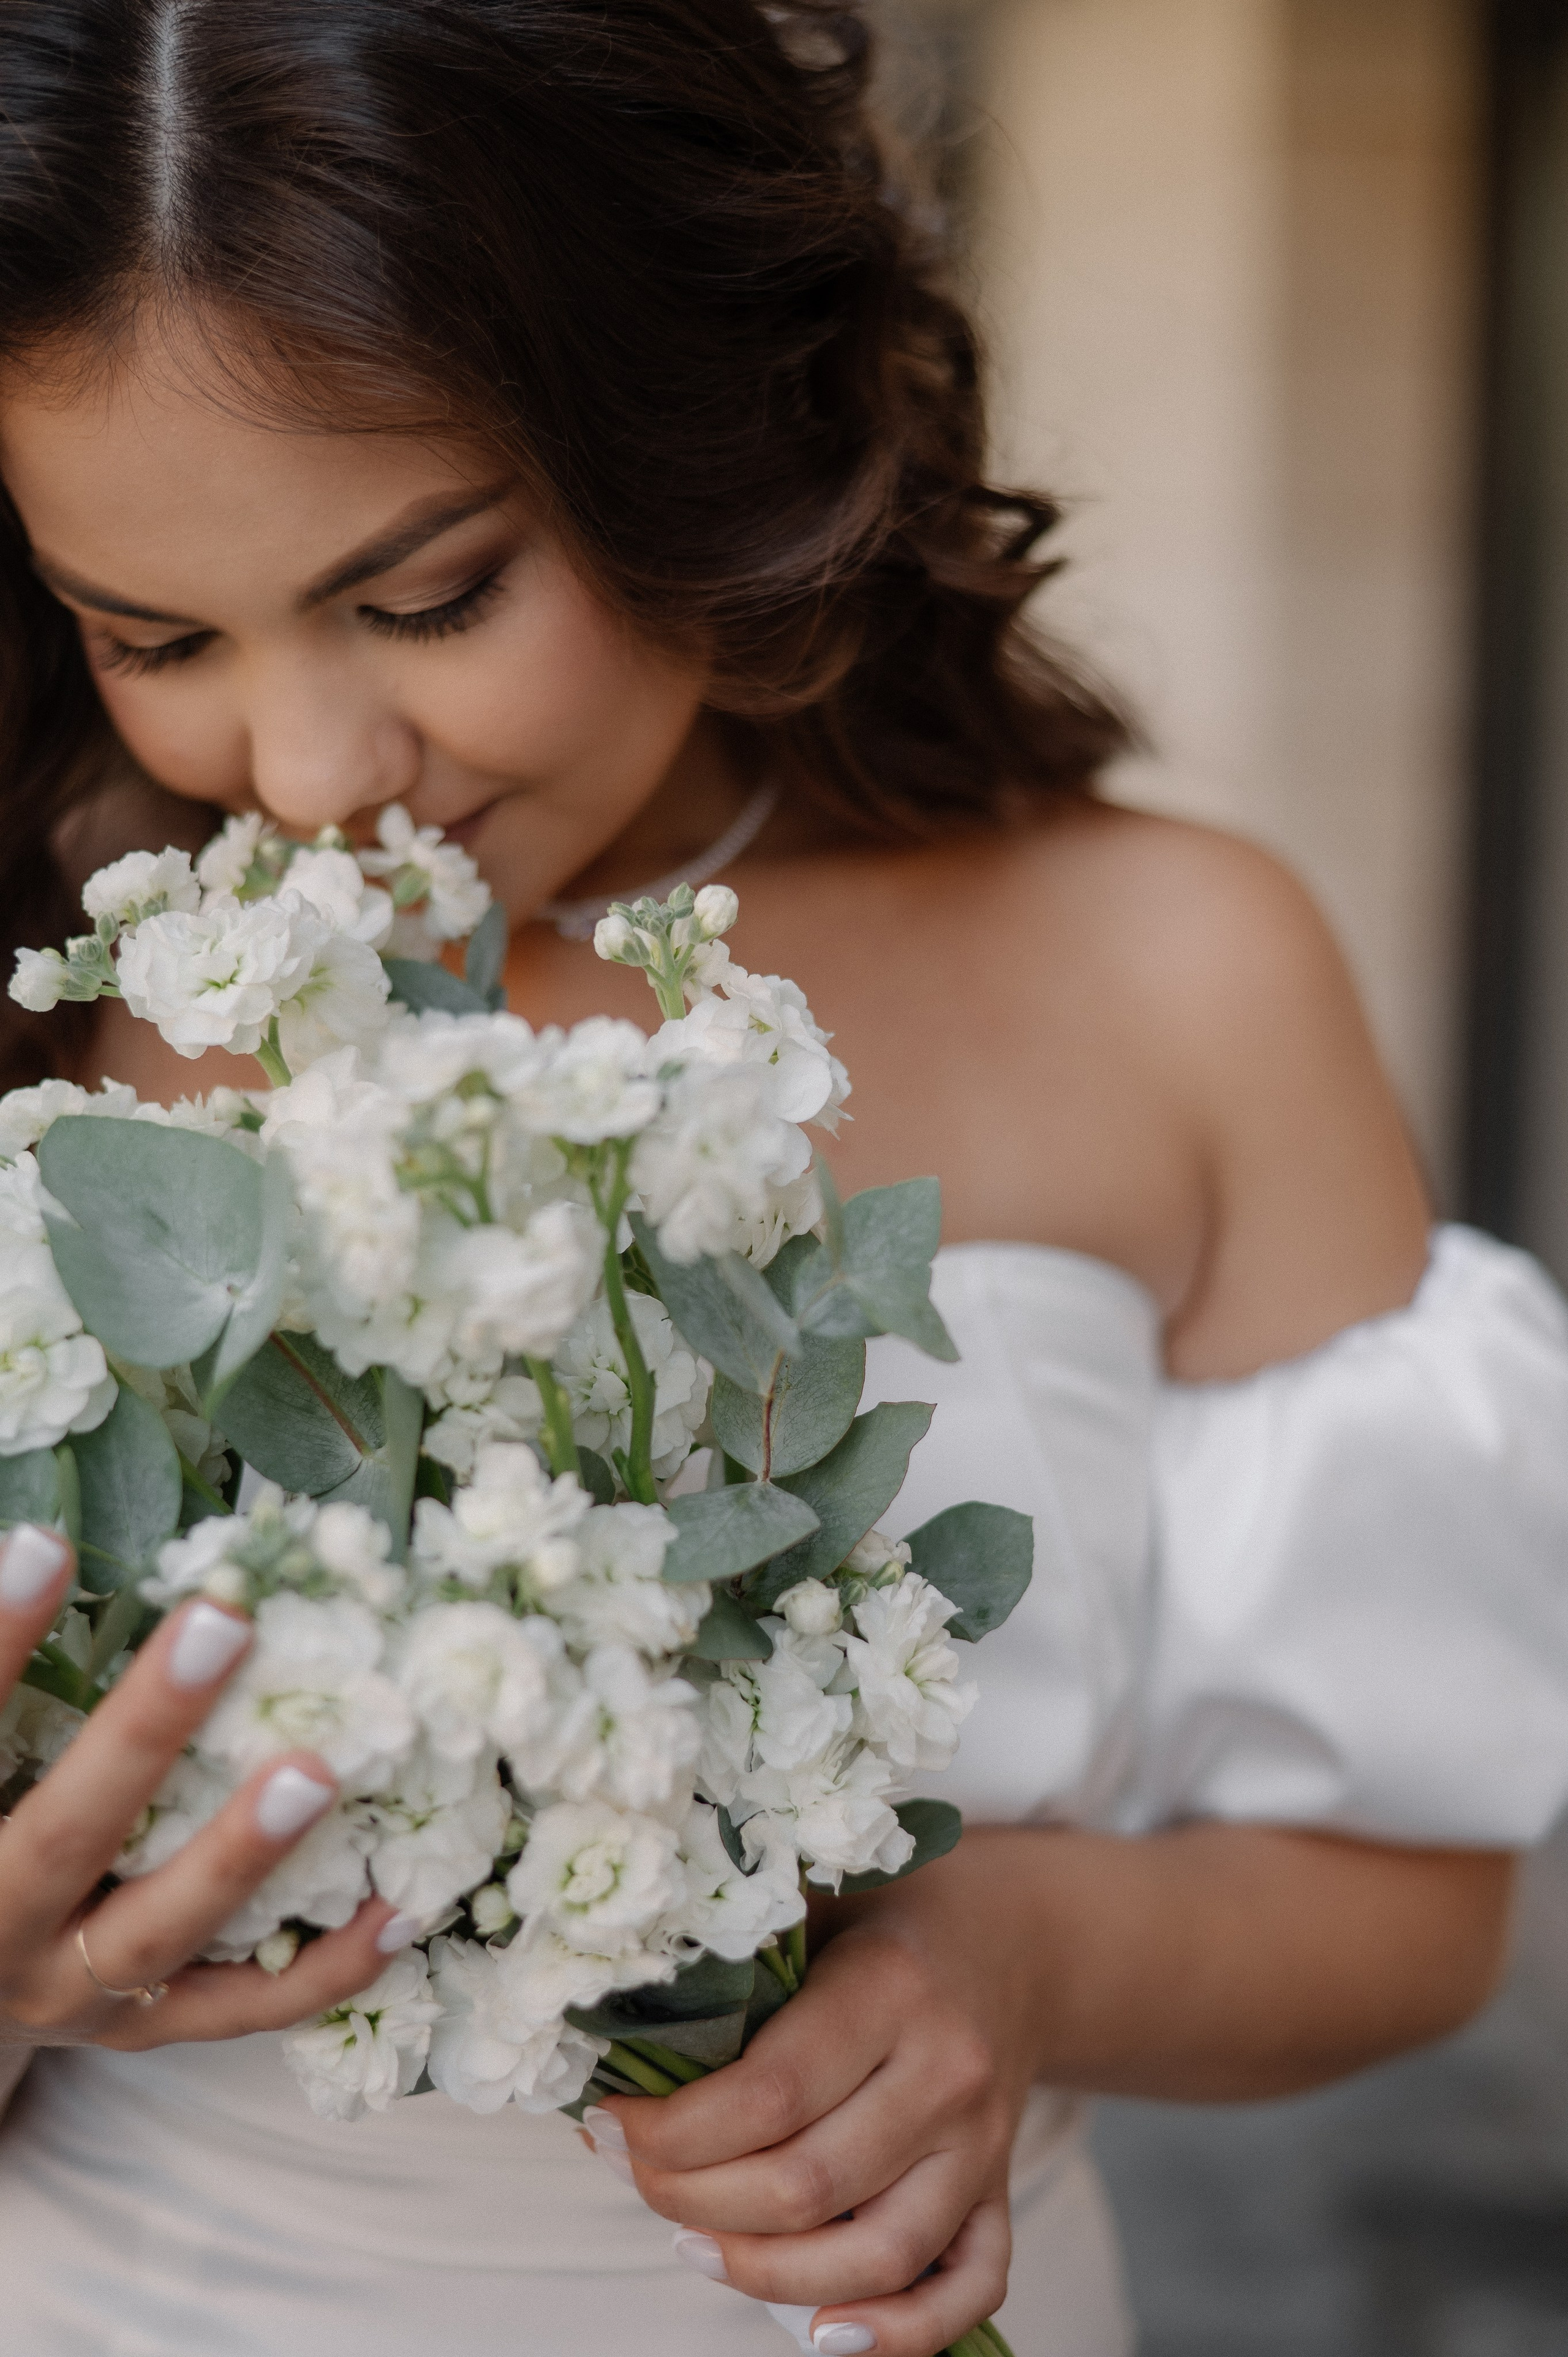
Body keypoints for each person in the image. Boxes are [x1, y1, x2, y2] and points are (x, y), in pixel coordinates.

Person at [0, 6, 1566, 2355]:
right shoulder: (45, 973)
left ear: (700, 431)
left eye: (425, 595)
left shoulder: (1172, 968)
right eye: (157, 637)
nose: (314, 770)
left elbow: (1411, 1909)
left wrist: (1017, 1956)